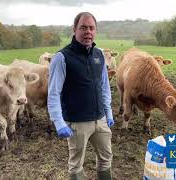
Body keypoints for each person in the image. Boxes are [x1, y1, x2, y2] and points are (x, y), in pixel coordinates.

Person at [47, 12, 114, 180]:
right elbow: (53, 93)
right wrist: (58, 122)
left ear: (96, 31)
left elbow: (104, 86)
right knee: (76, 164)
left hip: (100, 120)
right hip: (77, 123)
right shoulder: (62, 58)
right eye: (83, 28)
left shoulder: (99, 54)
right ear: (74, 30)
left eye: (91, 28)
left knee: (106, 158)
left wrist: (109, 113)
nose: (88, 32)